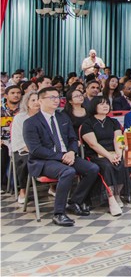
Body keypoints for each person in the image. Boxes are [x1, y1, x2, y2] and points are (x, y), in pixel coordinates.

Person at [24, 87, 100, 226]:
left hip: (67, 155)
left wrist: (71, 152)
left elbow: (72, 139)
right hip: (45, 161)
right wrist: (61, 156)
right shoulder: (31, 122)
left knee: (93, 168)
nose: (56, 100)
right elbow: (36, 149)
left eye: (57, 97)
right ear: (41, 101)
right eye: (51, 97)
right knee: (68, 171)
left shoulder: (62, 117)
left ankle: (74, 201)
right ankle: (58, 213)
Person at [80, 97, 125, 216]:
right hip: (96, 154)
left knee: (123, 163)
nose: (105, 106)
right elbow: (93, 144)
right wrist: (109, 156)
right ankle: (111, 198)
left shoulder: (114, 122)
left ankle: (117, 194)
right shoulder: (87, 123)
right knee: (107, 165)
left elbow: (118, 139)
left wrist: (119, 154)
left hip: (113, 152)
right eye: (101, 104)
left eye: (107, 104)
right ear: (94, 106)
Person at [11, 91, 40, 205]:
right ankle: (23, 190)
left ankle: (53, 187)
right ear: (27, 103)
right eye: (33, 100)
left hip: (42, 149)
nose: (36, 102)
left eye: (38, 100)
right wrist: (33, 149)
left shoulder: (45, 115)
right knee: (25, 160)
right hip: (24, 149)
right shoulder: (20, 117)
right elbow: (18, 139)